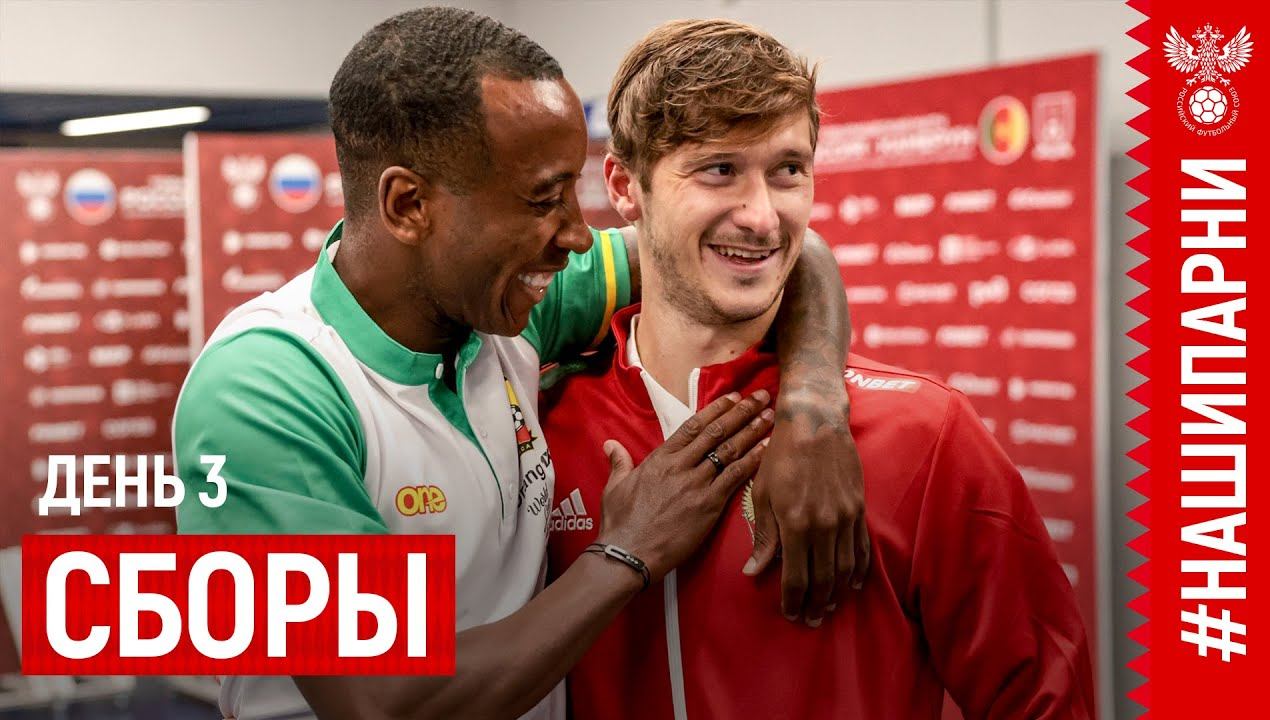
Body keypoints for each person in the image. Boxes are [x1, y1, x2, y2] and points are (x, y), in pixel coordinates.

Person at [172, 7, 867, 720]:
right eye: (542, 200)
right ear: (409, 205)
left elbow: (782, 252)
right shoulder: (268, 384)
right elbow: (381, 701)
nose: (577, 234)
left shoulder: (511, 300)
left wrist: (813, 410)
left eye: (574, 191)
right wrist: (624, 553)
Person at [540, 18, 1096, 720]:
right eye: (719, 169)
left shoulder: (925, 437)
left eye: (788, 171)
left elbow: (1045, 700)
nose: (762, 217)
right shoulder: (531, 418)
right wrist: (617, 559)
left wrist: (812, 399)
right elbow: (403, 678)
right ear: (625, 186)